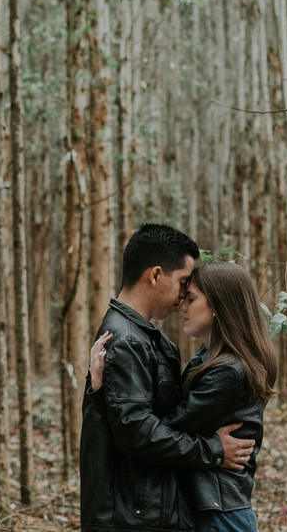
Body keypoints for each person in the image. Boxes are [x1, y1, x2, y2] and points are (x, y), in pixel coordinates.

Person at [80, 224, 256, 532]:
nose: (184, 296)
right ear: (156, 275)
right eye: (183, 282)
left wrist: (99, 395)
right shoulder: (128, 340)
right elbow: (136, 429)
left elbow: (150, 419)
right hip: (131, 516)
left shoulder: (146, 338)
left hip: (149, 509)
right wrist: (213, 450)